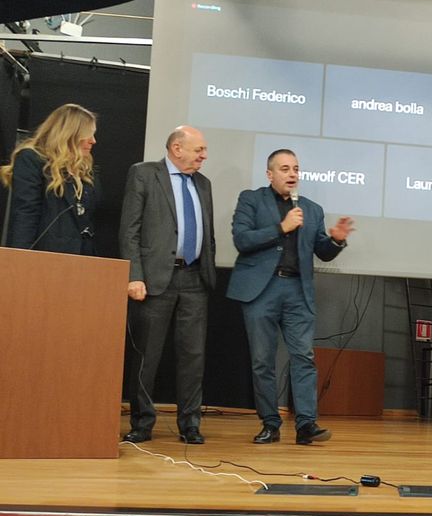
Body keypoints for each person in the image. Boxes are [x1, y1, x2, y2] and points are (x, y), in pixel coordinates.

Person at [226, 149, 354, 445]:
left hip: (298, 290)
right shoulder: (251, 199)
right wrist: (281, 228)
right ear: (269, 174)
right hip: (262, 290)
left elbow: (322, 251)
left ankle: (306, 424)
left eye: (296, 168)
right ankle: (270, 424)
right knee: (262, 360)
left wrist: (336, 240)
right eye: (285, 169)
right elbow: (242, 239)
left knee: (303, 357)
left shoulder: (312, 209)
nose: (292, 174)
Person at [119, 126, 216, 445]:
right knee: (146, 356)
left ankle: (190, 424)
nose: (204, 156)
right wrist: (134, 274)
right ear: (177, 148)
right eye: (199, 150)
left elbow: (207, 233)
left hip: (195, 279)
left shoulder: (203, 183)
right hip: (153, 279)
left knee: (193, 357)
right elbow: (130, 229)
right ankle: (142, 423)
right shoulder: (145, 174)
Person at [1, 103, 101, 254]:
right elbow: (26, 213)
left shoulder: (85, 169)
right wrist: (19, 258)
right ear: (69, 134)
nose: (93, 140)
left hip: (82, 258)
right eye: (88, 134)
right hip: (44, 255)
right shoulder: (32, 159)